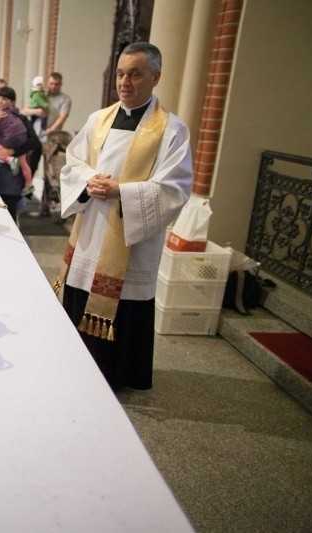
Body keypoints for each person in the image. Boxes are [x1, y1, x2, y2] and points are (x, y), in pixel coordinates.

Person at [58, 42, 193, 390]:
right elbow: (73, 164)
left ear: (155, 77)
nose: (125, 81)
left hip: (129, 237)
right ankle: (77, 368)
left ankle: (115, 376)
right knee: (81, 292)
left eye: (135, 73)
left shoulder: (172, 130)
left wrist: (123, 191)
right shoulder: (97, 119)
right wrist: (90, 180)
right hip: (92, 228)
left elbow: (175, 188)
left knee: (125, 304)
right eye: (121, 73)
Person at [0, 86, 33, 219]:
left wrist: (13, 150)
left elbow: (34, 142)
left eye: (5, 98)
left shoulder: (22, 119)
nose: (0, 101)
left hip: (12, 175)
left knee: (9, 212)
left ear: (13, 102)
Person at [23, 72, 73, 217]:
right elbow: (24, 110)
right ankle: (26, 199)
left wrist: (51, 130)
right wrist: (36, 111)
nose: (53, 86)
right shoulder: (40, 94)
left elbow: (62, 117)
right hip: (36, 139)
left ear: (61, 84)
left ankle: (48, 206)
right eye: (51, 83)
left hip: (53, 140)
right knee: (30, 167)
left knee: (50, 173)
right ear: (48, 83)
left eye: (56, 84)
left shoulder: (65, 99)